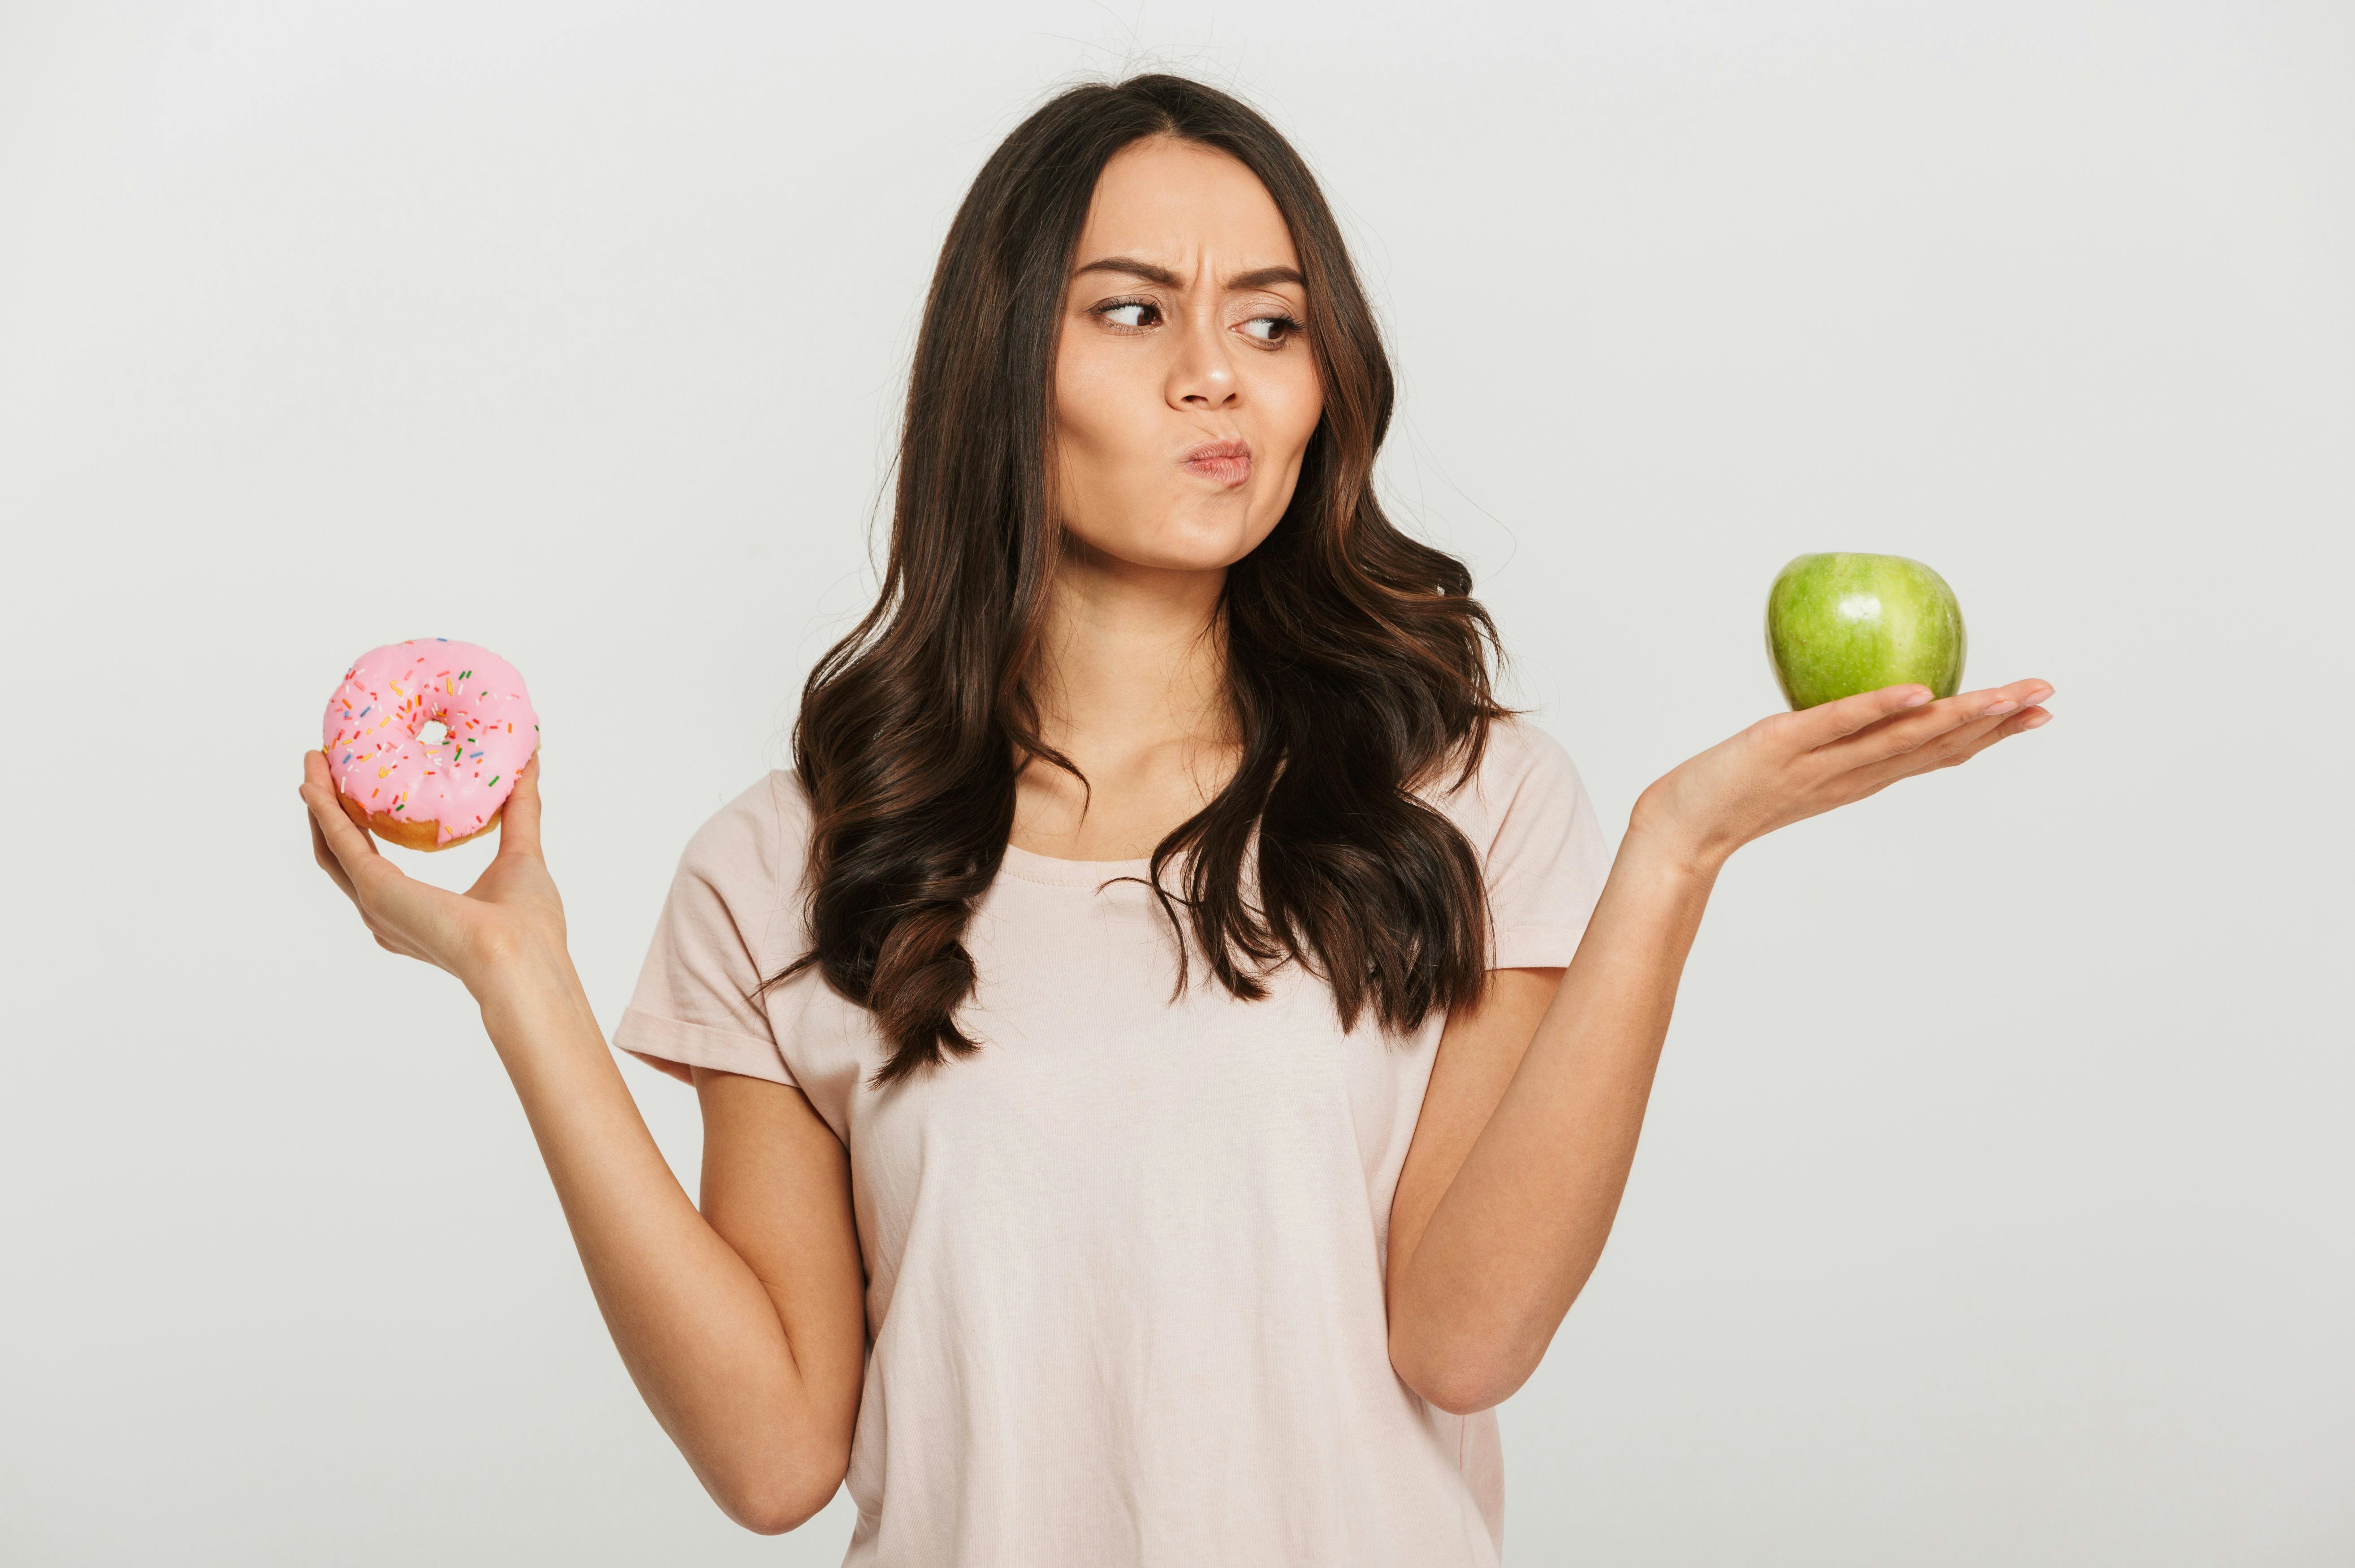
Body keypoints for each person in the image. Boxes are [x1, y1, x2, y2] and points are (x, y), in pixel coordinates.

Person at [298, 72, 2052, 1568]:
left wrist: (1675, 852)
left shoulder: (1470, 799)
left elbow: (1466, 1331)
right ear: (1004, 370)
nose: (1219, 374)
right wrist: (518, 978)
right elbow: (775, 1459)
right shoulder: (789, 861)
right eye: (1135, 310)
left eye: (1271, 319)